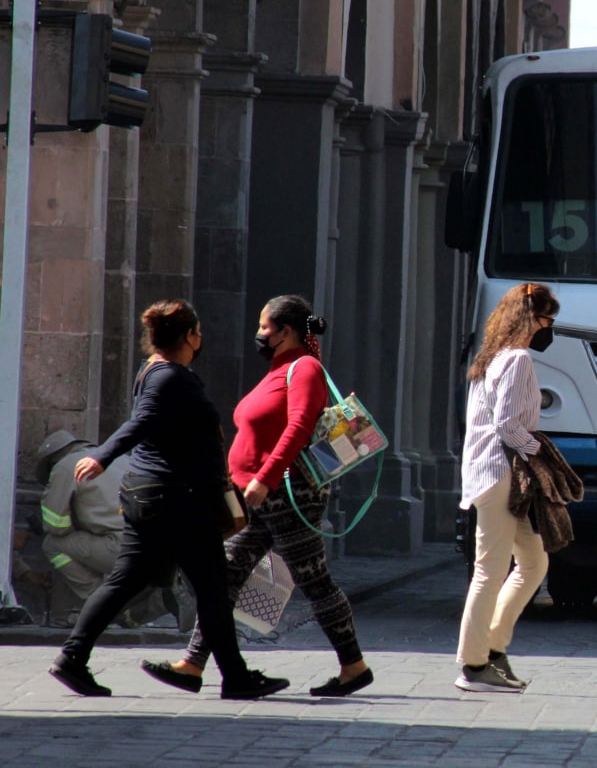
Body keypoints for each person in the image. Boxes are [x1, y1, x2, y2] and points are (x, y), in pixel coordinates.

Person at [48, 299, 289, 700]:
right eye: (198, 331)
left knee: (129, 581)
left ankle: (73, 658)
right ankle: (236, 677)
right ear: (190, 336)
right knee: (211, 589)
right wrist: (102, 455)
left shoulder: (156, 373)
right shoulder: (169, 378)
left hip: (156, 497)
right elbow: (141, 422)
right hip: (178, 501)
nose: (202, 338)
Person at [145, 294, 373, 698]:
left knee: (313, 579)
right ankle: (193, 664)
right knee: (226, 575)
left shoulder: (305, 369)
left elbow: (300, 426)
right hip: (258, 495)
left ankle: (353, 666)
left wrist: (266, 477)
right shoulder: (278, 370)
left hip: (288, 493)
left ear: (286, 332)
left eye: (265, 327)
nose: (259, 334)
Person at [455, 282, 559, 692]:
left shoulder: (490, 359)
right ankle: (473, 664)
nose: (548, 328)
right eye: (547, 320)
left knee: (534, 563)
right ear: (532, 318)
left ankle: (492, 650)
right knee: (490, 571)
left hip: (488, 473)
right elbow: (507, 426)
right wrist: (542, 452)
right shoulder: (516, 359)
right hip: (500, 475)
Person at [35, 430, 176, 629]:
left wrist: (76, 523)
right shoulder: (119, 458)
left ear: (52, 460)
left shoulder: (65, 466)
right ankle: (143, 600)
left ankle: (101, 603)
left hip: (124, 547)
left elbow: (56, 526)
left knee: (52, 544)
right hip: (162, 547)